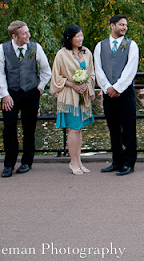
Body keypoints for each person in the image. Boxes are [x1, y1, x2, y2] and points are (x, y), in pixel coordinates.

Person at [0, 21, 51, 177]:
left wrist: (40, 88)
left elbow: (46, 71)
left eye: (28, 32)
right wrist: (4, 95)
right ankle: (9, 164)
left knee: (29, 129)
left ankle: (27, 162)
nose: (28, 35)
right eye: (24, 33)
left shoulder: (35, 47)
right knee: (9, 128)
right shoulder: (2, 49)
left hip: (31, 93)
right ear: (14, 36)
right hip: (10, 94)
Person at [94, 14, 139, 176]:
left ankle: (129, 163)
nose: (124, 28)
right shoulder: (100, 46)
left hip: (126, 92)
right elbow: (98, 68)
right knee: (113, 128)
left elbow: (131, 68)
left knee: (128, 128)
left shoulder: (131, 45)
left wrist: (118, 87)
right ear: (112, 26)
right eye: (121, 25)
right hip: (108, 93)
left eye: (125, 25)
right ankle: (116, 162)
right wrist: (107, 87)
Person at [50, 25, 96, 175]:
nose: (80, 39)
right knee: (74, 128)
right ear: (69, 38)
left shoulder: (87, 52)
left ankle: (79, 161)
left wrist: (86, 84)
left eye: (81, 35)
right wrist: (73, 85)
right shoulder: (62, 54)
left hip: (83, 95)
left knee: (79, 129)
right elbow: (56, 77)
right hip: (69, 96)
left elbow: (91, 73)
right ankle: (72, 162)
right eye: (77, 36)